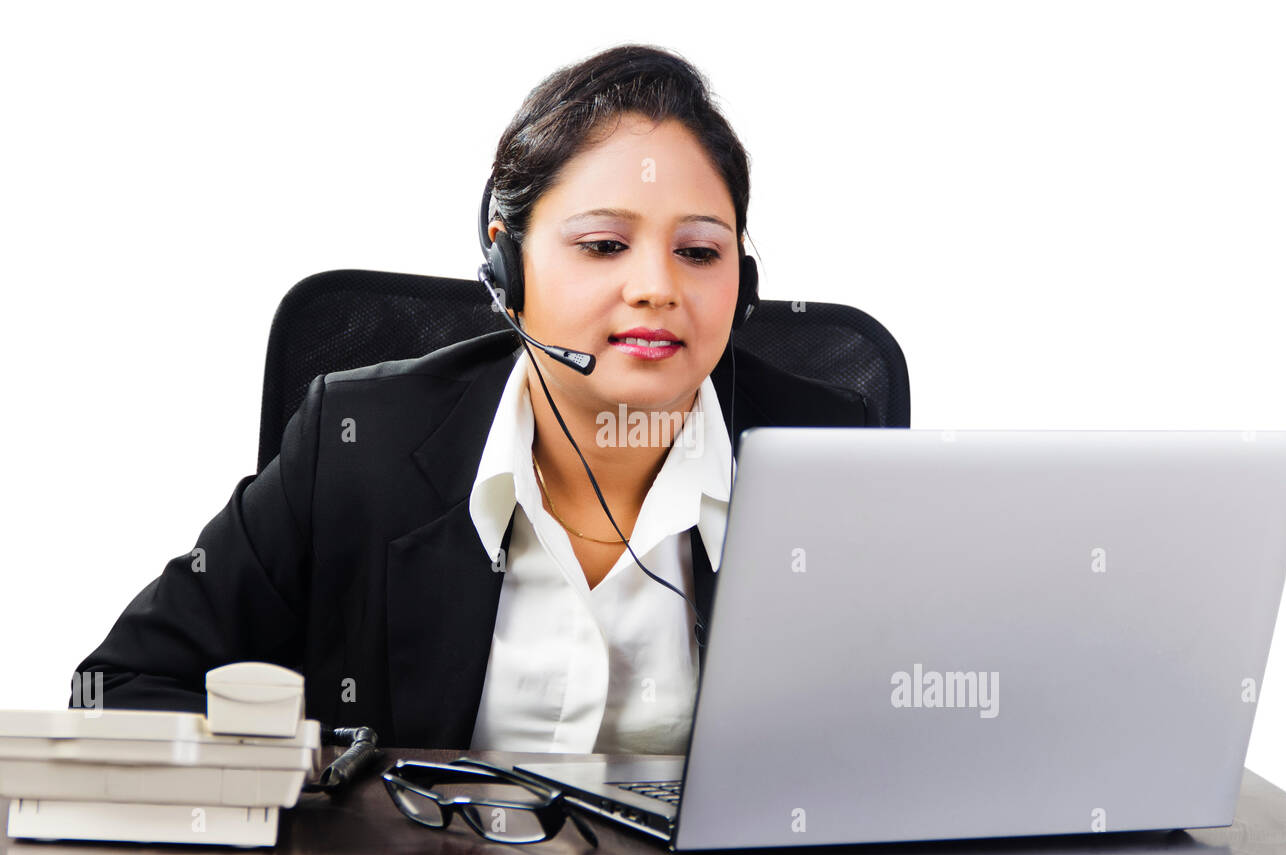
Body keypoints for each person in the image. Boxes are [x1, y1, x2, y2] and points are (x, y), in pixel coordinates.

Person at [69, 43, 881, 751]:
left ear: (742, 282)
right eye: (603, 244)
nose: (657, 288)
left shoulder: (832, 458)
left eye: (700, 251)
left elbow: (897, 733)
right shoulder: (355, 444)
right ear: (507, 269)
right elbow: (121, 690)